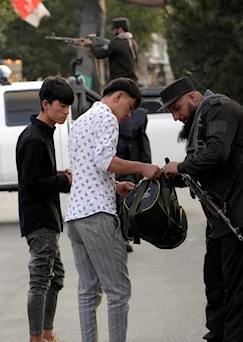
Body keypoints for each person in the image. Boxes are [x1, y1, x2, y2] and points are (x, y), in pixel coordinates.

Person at [160, 77, 243, 342]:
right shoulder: (202, 119)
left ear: (193, 97)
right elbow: (208, 168)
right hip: (221, 220)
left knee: (240, 295)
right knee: (217, 290)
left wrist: (181, 166)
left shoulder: (221, 108)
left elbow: (217, 152)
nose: (176, 117)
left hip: (242, 217)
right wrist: (172, 176)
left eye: (176, 108)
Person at [65, 78, 161, 342]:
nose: (128, 116)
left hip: (75, 216)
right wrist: (142, 167)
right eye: (129, 108)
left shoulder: (81, 120)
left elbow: (87, 167)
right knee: (118, 291)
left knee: (88, 291)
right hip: (97, 215)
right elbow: (105, 160)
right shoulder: (107, 117)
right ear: (118, 97)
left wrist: (114, 185)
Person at [16, 76, 75, 342]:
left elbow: (39, 176)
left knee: (57, 277)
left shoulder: (42, 133)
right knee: (40, 280)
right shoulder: (35, 139)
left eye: (68, 107)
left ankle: (47, 332)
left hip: (47, 217)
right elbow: (31, 184)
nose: (66, 112)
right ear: (46, 104)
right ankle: (36, 337)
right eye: (62, 106)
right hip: (39, 220)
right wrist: (63, 180)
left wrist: (58, 175)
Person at [115, 106, 152, 252]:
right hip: (118, 165)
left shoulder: (136, 118)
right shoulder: (106, 118)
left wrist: (145, 168)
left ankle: (124, 236)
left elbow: (143, 146)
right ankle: (123, 236)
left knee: (125, 201)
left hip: (128, 166)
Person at [82, 17, 140, 84]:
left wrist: (90, 45)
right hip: (132, 81)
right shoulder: (133, 43)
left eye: (113, 29)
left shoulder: (116, 43)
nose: (112, 32)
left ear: (120, 29)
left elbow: (100, 54)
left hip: (119, 81)